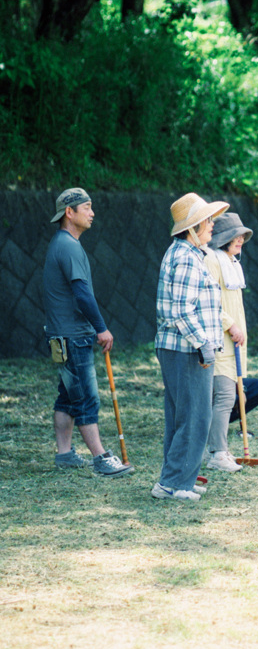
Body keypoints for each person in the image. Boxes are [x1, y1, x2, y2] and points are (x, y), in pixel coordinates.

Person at [43, 187, 134, 476]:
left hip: (60, 336)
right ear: (69, 213)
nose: (92, 213)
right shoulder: (68, 246)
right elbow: (82, 294)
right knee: (85, 397)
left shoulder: (60, 243)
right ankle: (101, 458)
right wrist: (101, 328)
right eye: (87, 207)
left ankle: (65, 454)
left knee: (68, 396)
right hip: (73, 336)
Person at [152, 192, 229, 502]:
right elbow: (181, 310)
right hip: (185, 349)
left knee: (182, 416)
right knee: (195, 417)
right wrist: (203, 345)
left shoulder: (187, 253)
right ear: (193, 226)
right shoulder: (185, 256)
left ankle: (176, 479)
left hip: (181, 348)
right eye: (207, 221)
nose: (212, 225)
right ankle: (175, 485)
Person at [204, 212, 258, 472]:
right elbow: (207, 301)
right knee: (223, 398)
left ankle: (222, 450)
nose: (241, 239)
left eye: (242, 235)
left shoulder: (231, 262)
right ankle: (217, 454)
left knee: (234, 395)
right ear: (222, 237)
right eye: (236, 235)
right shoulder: (211, 260)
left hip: (235, 346)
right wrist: (228, 324)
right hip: (219, 342)